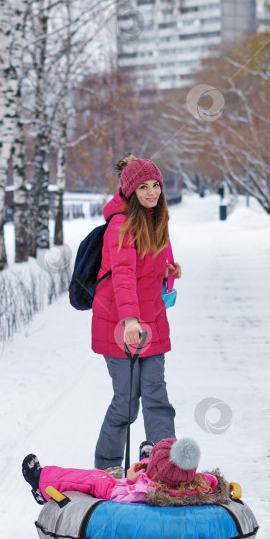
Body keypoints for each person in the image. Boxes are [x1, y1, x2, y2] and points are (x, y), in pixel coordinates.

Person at [91, 155, 182, 479]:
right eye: (143, 186)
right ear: (130, 191)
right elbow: (123, 275)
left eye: (155, 185)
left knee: (157, 395)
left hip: (151, 318)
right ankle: (107, 467)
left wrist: (166, 271)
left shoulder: (154, 218)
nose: (152, 191)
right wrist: (129, 321)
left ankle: (165, 465)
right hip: (119, 323)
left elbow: (142, 268)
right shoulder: (121, 223)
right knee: (127, 401)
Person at [22, 438, 230, 507]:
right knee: (168, 467)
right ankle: (149, 458)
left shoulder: (143, 492)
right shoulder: (204, 483)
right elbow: (170, 475)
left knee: (99, 478)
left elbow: (119, 498)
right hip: (166, 481)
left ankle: (41, 482)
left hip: (131, 488)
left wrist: (130, 478)